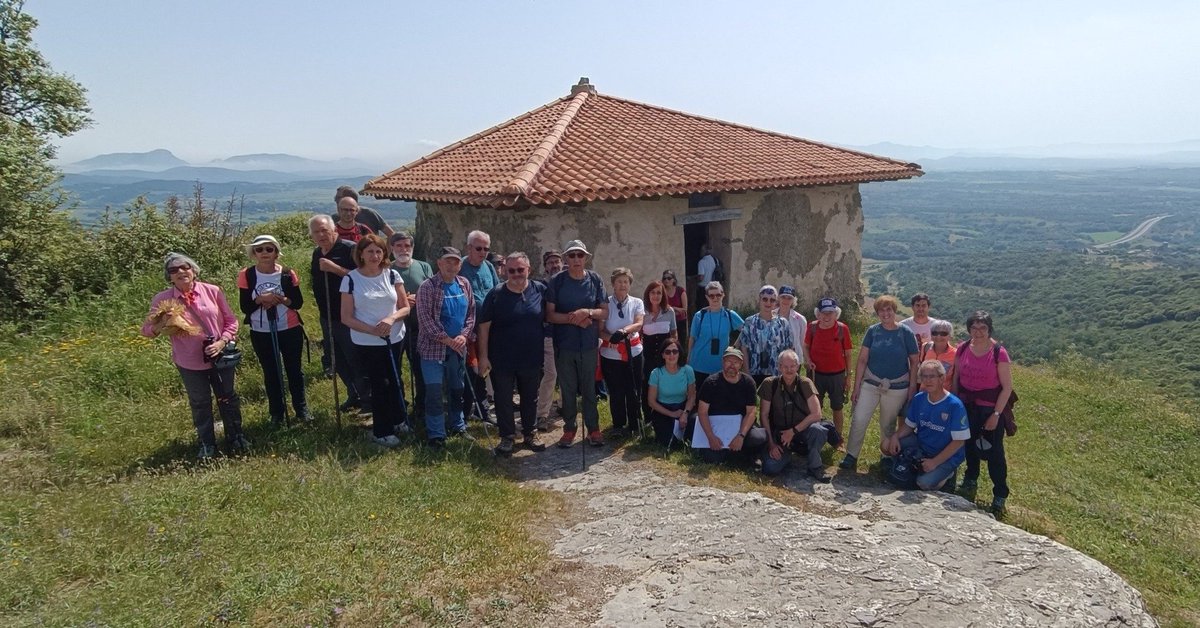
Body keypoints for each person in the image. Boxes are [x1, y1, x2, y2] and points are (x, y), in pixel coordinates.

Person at [141, 252, 246, 459]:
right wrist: (162, 323)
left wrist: (222, 341)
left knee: (227, 398)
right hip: (189, 361)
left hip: (219, 356)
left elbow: (231, 321)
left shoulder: (212, 291)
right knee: (200, 402)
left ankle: (236, 438)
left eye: (185, 267)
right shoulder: (163, 300)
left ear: (193, 270)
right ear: (169, 277)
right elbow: (146, 331)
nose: (180, 272)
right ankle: (207, 444)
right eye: (173, 270)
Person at [340, 235, 410, 447]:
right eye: (370, 251)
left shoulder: (392, 275)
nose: (375, 256)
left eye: (378, 251)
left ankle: (399, 420)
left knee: (396, 379)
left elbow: (405, 307)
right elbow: (346, 317)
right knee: (381, 385)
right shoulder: (351, 279)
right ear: (360, 253)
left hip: (394, 337)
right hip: (367, 342)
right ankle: (382, 431)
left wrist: (390, 319)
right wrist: (373, 330)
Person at [478, 252, 548, 456]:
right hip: (501, 358)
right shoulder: (496, 294)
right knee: (503, 399)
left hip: (531, 357)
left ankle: (530, 433)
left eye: (520, 270)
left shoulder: (540, 290)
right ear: (505, 271)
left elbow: (551, 315)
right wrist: (483, 357)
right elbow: (483, 327)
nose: (516, 274)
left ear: (529, 270)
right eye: (511, 270)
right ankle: (507, 437)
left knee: (530, 398)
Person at [237, 234, 309, 425]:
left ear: (277, 252)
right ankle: (276, 412)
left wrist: (280, 299)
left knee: (294, 370)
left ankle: (301, 409)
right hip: (261, 330)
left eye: (269, 249)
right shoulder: (247, 275)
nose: (264, 253)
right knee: (271, 371)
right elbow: (245, 307)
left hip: (289, 327)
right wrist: (261, 300)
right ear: (253, 253)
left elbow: (298, 303)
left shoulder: (287, 273)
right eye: (259, 249)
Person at [841, 295, 919, 471]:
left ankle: (886, 456)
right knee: (859, 418)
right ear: (877, 313)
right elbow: (862, 360)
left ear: (894, 310)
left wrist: (912, 388)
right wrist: (857, 387)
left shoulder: (905, 333)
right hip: (871, 383)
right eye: (881, 310)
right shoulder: (872, 331)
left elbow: (914, 362)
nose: (885, 313)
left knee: (888, 423)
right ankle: (851, 455)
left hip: (898, 386)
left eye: (888, 309)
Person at [546, 239, 608, 448]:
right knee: (568, 388)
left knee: (589, 389)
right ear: (565, 259)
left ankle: (593, 428)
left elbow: (604, 311)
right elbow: (550, 315)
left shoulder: (595, 279)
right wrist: (576, 319)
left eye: (580, 255)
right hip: (564, 344)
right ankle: (570, 428)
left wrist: (587, 313)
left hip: (588, 344)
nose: (576, 259)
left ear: (586, 258)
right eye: (571, 255)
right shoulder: (557, 281)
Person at [952, 310, 1014, 513]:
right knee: (969, 444)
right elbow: (957, 378)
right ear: (969, 329)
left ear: (989, 330)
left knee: (994, 451)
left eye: (983, 328)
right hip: (966, 405)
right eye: (974, 327)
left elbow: (1006, 388)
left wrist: (996, 415)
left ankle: (1000, 494)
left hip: (989, 408)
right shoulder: (962, 349)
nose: (978, 332)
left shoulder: (998, 352)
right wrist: (953, 402)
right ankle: (971, 479)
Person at [415, 247, 477, 449]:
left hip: (458, 348)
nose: (452, 265)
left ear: (460, 265)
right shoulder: (428, 287)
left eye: (456, 262)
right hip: (433, 350)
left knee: (457, 389)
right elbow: (425, 320)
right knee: (433, 392)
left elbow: (471, 314)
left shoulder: (464, 284)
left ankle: (457, 425)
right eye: (447, 261)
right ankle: (436, 434)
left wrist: (463, 335)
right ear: (439, 263)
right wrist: (448, 340)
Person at [309, 215, 368, 414]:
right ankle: (354, 395)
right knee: (337, 360)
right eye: (317, 232)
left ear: (334, 230)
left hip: (350, 317)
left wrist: (335, 269)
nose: (321, 235)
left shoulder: (350, 249)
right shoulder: (317, 253)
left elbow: (363, 278)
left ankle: (368, 401)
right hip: (327, 317)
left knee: (356, 359)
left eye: (324, 230)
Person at [883, 360, 970, 491]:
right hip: (922, 445)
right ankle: (907, 464)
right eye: (924, 376)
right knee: (886, 444)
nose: (928, 380)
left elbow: (959, 442)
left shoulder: (955, 405)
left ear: (942, 378)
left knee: (923, 483)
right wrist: (895, 436)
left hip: (946, 454)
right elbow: (909, 426)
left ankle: (947, 475)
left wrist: (935, 462)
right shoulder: (919, 398)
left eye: (932, 376)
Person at [758, 350, 834, 481]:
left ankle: (815, 467)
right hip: (779, 434)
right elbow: (763, 415)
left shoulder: (805, 383)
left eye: (792, 366)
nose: (789, 370)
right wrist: (771, 444)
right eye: (785, 366)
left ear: (798, 366)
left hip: (801, 430)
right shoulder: (769, 384)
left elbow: (817, 414)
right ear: (779, 367)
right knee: (770, 468)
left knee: (818, 430)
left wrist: (793, 431)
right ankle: (785, 456)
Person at [696, 347, 767, 464]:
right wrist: (710, 436)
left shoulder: (748, 383)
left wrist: (741, 436)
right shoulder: (710, 382)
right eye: (729, 361)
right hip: (716, 429)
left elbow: (751, 413)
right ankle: (738, 456)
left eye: (736, 362)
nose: (732, 365)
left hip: (740, 427)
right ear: (723, 362)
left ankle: (738, 454)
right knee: (711, 457)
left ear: (741, 364)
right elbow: (702, 412)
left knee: (759, 438)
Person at [391, 231, 433, 420]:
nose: (403, 249)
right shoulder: (387, 270)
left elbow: (433, 291)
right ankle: (399, 406)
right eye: (399, 246)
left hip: (420, 328)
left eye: (407, 245)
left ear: (412, 248)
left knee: (421, 369)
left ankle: (421, 407)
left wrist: (420, 297)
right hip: (396, 329)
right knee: (395, 370)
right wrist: (404, 300)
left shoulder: (424, 267)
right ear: (392, 248)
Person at [599, 267, 645, 438]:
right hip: (611, 356)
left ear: (630, 284)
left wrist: (624, 331)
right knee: (616, 391)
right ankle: (618, 424)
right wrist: (610, 338)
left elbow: (639, 323)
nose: (623, 285)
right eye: (619, 281)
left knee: (633, 390)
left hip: (633, 353)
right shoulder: (606, 304)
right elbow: (600, 330)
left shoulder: (636, 302)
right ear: (613, 284)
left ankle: (634, 425)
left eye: (626, 281)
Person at [459, 230, 499, 422]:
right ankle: (465, 412)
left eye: (486, 249)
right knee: (472, 371)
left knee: (485, 370)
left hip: (489, 328)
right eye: (478, 248)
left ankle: (482, 410)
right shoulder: (459, 267)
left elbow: (497, 291)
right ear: (469, 248)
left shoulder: (489, 266)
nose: (483, 252)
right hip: (468, 330)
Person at [805, 297, 853, 443]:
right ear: (818, 314)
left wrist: (848, 376)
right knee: (813, 407)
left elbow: (849, 353)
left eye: (830, 313)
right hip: (815, 374)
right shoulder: (812, 327)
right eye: (823, 313)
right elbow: (806, 346)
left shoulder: (842, 329)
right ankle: (814, 436)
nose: (827, 316)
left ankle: (838, 438)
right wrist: (808, 360)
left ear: (836, 313)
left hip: (837, 375)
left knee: (837, 407)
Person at [688, 281, 744, 387]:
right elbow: (692, 338)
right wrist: (688, 359)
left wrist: (734, 347)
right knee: (699, 399)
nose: (715, 298)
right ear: (707, 297)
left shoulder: (729, 315)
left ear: (723, 295)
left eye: (718, 295)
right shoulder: (699, 316)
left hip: (720, 366)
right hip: (699, 364)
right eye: (711, 295)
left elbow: (746, 330)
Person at [735, 285, 793, 385]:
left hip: (776, 372)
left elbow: (789, 349)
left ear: (776, 302)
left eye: (772, 300)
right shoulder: (750, 322)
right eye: (765, 299)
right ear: (759, 300)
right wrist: (747, 372)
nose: (768, 303)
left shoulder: (783, 323)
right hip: (754, 371)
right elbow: (744, 348)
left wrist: (786, 372)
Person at [646, 338, 695, 447]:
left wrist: (685, 413)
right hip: (663, 410)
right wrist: (672, 414)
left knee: (691, 434)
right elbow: (651, 402)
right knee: (669, 443)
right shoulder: (656, 373)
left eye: (675, 351)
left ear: (679, 353)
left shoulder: (688, 370)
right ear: (663, 355)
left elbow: (692, 396)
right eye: (667, 352)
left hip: (683, 407)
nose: (671, 355)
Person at [640, 280, 678, 420]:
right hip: (647, 357)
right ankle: (647, 417)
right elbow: (638, 334)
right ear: (648, 294)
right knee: (647, 386)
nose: (655, 296)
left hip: (665, 358)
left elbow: (674, 333)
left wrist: (674, 352)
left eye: (659, 293)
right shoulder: (642, 312)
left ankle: (662, 415)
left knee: (664, 386)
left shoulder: (669, 311)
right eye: (653, 292)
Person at [534, 250, 563, 431]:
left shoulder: (567, 283)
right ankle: (542, 414)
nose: (554, 265)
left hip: (567, 334)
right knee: (551, 373)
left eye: (557, 261)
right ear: (545, 267)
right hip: (549, 335)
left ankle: (564, 406)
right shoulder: (541, 286)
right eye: (550, 262)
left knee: (567, 373)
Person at [920, 319, 957, 390]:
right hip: (924, 392)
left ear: (950, 336)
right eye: (935, 333)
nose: (938, 336)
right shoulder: (925, 347)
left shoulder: (955, 354)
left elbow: (955, 378)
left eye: (943, 333)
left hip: (944, 395)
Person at [777, 285, 808, 369]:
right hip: (775, 358)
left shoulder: (800, 319)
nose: (786, 300)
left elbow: (803, 342)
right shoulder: (771, 316)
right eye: (783, 297)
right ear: (778, 298)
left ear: (793, 300)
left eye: (789, 298)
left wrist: (807, 360)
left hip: (793, 359)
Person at [661, 270, 688, 344]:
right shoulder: (662, 292)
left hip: (680, 322)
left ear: (674, 279)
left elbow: (684, 310)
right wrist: (676, 310)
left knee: (681, 344)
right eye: (664, 278)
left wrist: (672, 308)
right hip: (667, 322)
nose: (666, 280)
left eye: (669, 278)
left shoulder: (680, 291)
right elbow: (662, 309)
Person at [692, 244, 718, 312]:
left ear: (704, 251)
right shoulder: (715, 260)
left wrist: (694, 280)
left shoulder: (702, 262)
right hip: (713, 288)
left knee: (701, 308)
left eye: (701, 250)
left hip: (703, 289)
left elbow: (701, 277)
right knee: (711, 307)